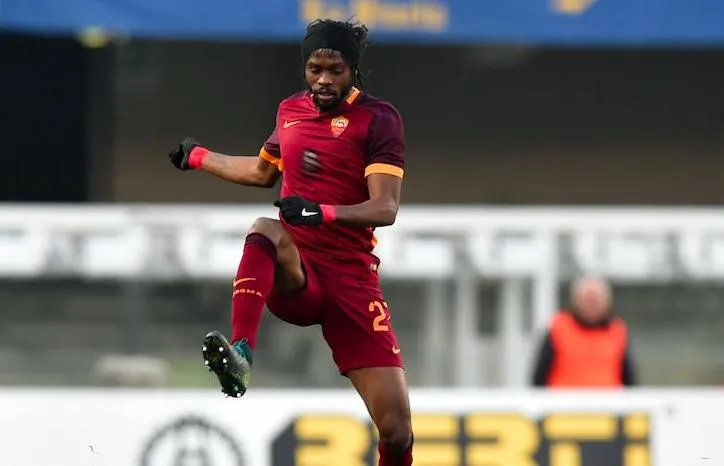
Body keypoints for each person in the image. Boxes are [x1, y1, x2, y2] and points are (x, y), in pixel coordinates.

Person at [167, 19, 414, 466]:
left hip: (351, 281)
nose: (323, 80)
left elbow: (386, 207)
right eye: (314, 69)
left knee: (397, 433)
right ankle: (241, 354)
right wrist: (199, 157)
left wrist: (322, 212)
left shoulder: (379, 119)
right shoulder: (290, 111)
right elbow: (263, 172)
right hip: (297, 270)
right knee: (264, 228)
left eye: (335, 70)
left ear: (353, 70)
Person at [531, 276, 637, 388]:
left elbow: (629, 378)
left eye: (596, 300)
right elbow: (539, 375)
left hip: (608, 398)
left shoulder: (617, 332)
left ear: (607, 302)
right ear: (576, 300)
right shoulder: (558, 329)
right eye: (587, 300)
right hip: (565, 398)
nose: (591, 306)